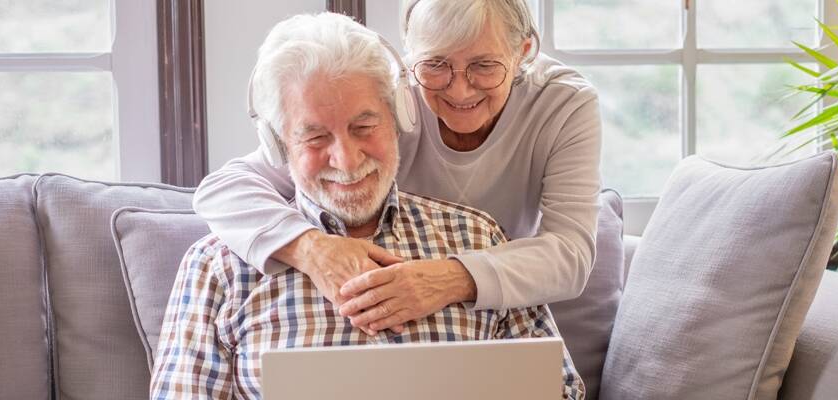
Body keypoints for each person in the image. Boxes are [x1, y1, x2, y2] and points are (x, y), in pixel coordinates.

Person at [149, 12, 584, 399]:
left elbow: (562, 389)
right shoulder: (217, 267)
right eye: (315, 138)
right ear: (279, 145)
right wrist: (311, 249)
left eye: (364, 126)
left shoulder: (479, 238)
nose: (347, 160)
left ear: (399, 118)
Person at [193, 0, 607, 334]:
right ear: (410, 58)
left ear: (524, 52)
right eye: (435, 65)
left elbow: (569, 254)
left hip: (498, 301)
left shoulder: (565, 104)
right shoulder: (390, 101)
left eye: (484, 65)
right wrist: (315, 250)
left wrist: (446, 279)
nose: (459, 89)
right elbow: (222, 189)